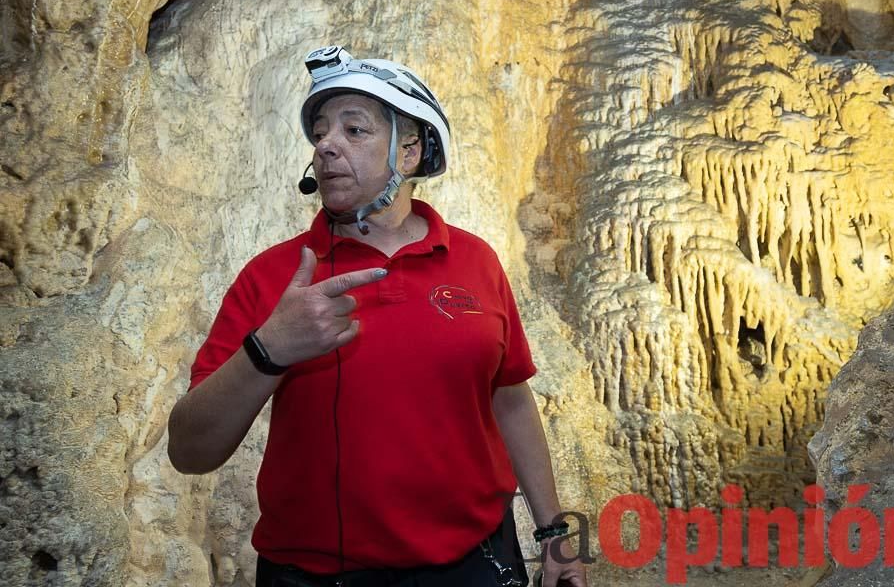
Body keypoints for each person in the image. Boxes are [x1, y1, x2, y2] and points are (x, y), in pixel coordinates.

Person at [168, 46, 587, 587]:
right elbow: (190, 451)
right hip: (316, 575)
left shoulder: (476, 260)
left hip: (476, 563)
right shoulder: (274, 276)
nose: (326, 145)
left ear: (409, 153)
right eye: (320, 131)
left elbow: (509, 400)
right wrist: (267, 351)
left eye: (354, 130)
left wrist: (553, 534)